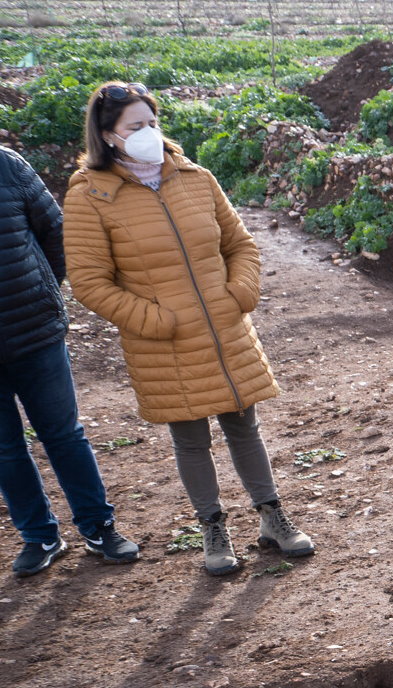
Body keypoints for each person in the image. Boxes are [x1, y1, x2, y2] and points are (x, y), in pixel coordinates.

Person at [63, 81, 312, 578]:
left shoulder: (195, 177)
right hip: (164, 343)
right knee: (191, 437)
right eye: (136, 126)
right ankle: (213, 528)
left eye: (152, 123)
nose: (148, 133)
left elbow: (241, 245)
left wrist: (239, 293)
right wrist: (155, 320)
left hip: (224, 329)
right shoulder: (91, 197)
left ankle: (272, 516)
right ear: (109, 135)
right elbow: (90, 283)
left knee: (245, 427)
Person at [2, 146, 140, 577]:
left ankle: (98, 526)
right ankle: (39, 536)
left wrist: (46, 293)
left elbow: (55, 234)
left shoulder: (8, 165)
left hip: (35, 331)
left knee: (63, 434)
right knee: (5, 450)